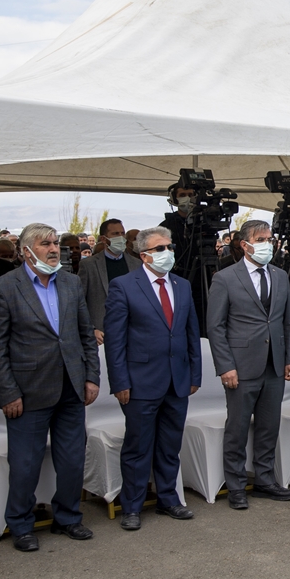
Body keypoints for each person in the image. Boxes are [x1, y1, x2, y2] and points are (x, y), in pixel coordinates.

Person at [0, 224, 100, 551]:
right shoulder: (4, 288)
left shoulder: (71, 282)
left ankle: (68, 518)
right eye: (45, 244)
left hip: (71, 387)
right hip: (28, 391)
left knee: (72, 460)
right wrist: (8, 393)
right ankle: (21, 525)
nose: (54, 249)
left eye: (55, 243)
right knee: (25, 464)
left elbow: (86, 334)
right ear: (26, 251)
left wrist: (91, 377)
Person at [104, 227, 201, 530]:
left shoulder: (182, 285)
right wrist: (120, 382)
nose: (167, 253)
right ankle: (132, 507)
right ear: (144, 255)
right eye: (160, 249)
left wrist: (194, 374)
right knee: (138, 447)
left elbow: (191, 333)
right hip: (140, 381)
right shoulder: (123, 286)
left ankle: (169, 499)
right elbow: (115, 341)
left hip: (177, 380)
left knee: (170, 445)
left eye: (169, 247)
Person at [207, 220, 290, 510]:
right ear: (244, 245)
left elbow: (289, 321)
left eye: (269, 239)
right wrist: (225, 366)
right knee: (237, 428)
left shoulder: (280, 276)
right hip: (241, 366)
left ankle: (265, 480)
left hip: (274, 364)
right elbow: (216, 327)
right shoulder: (225, 278)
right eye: (260, 240)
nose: (267, 244)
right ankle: (236, 486)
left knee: (269, 427)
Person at [78, 218, 142, 346]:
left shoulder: (136, 264)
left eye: (122, 233)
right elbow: (79, 301)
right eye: (115, 234)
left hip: (132, 332)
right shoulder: (89, 265)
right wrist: (91, 328)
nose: (120, 237)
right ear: (103, 239)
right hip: (101, 334)